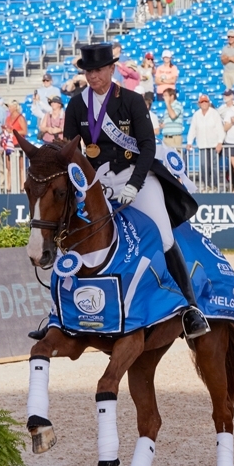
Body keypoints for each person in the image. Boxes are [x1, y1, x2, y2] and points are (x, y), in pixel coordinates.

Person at [57, 43, 207, 340]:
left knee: (163, 235)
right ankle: (63, 312)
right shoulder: (76, 105)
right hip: (95, 183)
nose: (93, 76)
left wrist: (134, 183)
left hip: (134, 177)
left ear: (112, 69)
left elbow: (148, 146)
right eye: (88, 71)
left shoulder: (132, 100)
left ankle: (190, 308)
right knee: (68, 236)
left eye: (98, 70)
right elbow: (71, 149)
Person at [186, 94, 224, 190]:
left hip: (213, 144)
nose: (204, 104)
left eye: (205, 102)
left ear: (208, 103)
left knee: (214, 166)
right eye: (202, 102)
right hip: (202, 145)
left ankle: (215, 185)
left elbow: (220, 128)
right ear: (199, 104)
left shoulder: (214, 113)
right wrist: (189, 141)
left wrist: (220, 142)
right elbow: (192, 130)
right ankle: (206, 185)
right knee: (203, 166)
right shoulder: (196, 115)